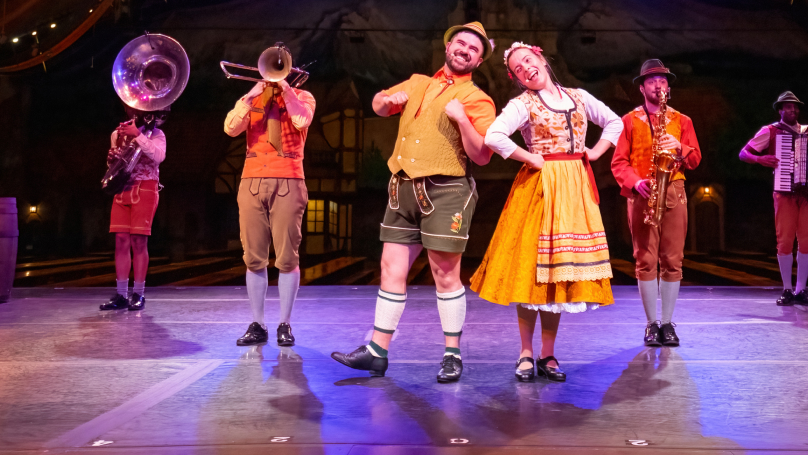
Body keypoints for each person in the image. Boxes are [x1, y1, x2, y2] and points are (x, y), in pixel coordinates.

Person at [331, 22, 497, 383]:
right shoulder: (418, 82)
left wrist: (462, 120)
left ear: (479, 60)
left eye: (474, 49)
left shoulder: (478, 99)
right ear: (449, 45)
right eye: (461, 43)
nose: (465, 50)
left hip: (446, 190)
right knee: (391, 270)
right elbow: (378, 105)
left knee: (445, 274)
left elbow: (482, 156)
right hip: (402, 187)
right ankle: (376, 351)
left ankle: (452, 354)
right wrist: (386, 100)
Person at [470, 41, 621, 383]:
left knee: (558, 274)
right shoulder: (523, 104)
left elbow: (614, 123)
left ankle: (548, 353)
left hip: (574, 189)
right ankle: (525, 352)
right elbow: (494, 137)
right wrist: (529, 157)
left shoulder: (579, 97)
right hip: (540, 187)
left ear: (541, 58)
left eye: (528, 60)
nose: (526, 68)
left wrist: (596, 152)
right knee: (532, 271)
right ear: (517, 78)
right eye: (518, 69)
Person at [224, 47, 317, 347]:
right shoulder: (252, 101)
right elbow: (230, 128)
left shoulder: (304, 97)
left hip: (288, 180)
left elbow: (302, 122)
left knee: (287, 259)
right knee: (253, 258)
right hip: (251, 181)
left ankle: (285, 324)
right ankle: (258, 323)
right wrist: (252, 94)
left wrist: (286, 91)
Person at [610, 59, 702, 348]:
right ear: (642, 87)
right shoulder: (628, 120)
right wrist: (636, 182)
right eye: (652, 81)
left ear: (668, 87)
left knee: (673, 261)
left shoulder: (682, 121)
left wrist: (680, 147)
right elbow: (618, 163)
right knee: (646, 260)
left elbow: (695, 159)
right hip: (642, 192)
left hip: (674, 190)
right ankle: (651, 324)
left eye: (663, 81)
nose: (659, 85)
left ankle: (667, 323)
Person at [739, 91, 808, 306]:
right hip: (784, 192)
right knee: (784, 241)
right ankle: (786, 289)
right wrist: (760, 159)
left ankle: (800, 289)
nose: (792, 109)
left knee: (807, 241)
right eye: (788, 106)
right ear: (780, 110)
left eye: (795, 106)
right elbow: (743, 153)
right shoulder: (771, 131)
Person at [100, 108, 167, 312]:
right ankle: (121, 295)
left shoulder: (157, 134)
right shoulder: (116, 134)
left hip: (146, 187)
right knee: (120, 240)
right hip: (123, 187)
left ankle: (138, 293)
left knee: (139, 240)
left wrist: (137, 135)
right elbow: (117, 165)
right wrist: (112, 158)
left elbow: (158, 157)